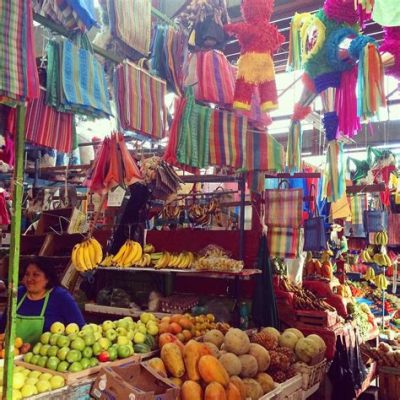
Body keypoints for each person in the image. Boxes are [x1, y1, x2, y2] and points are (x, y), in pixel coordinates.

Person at [0, 257, 85, 344]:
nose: (29, 279)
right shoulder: (18, 294)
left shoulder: (61, 297)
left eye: (35, 275)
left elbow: (80, 328)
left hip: (45, 356)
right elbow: (3, 324)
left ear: (48, 278)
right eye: (27, 274)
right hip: (12, 355)